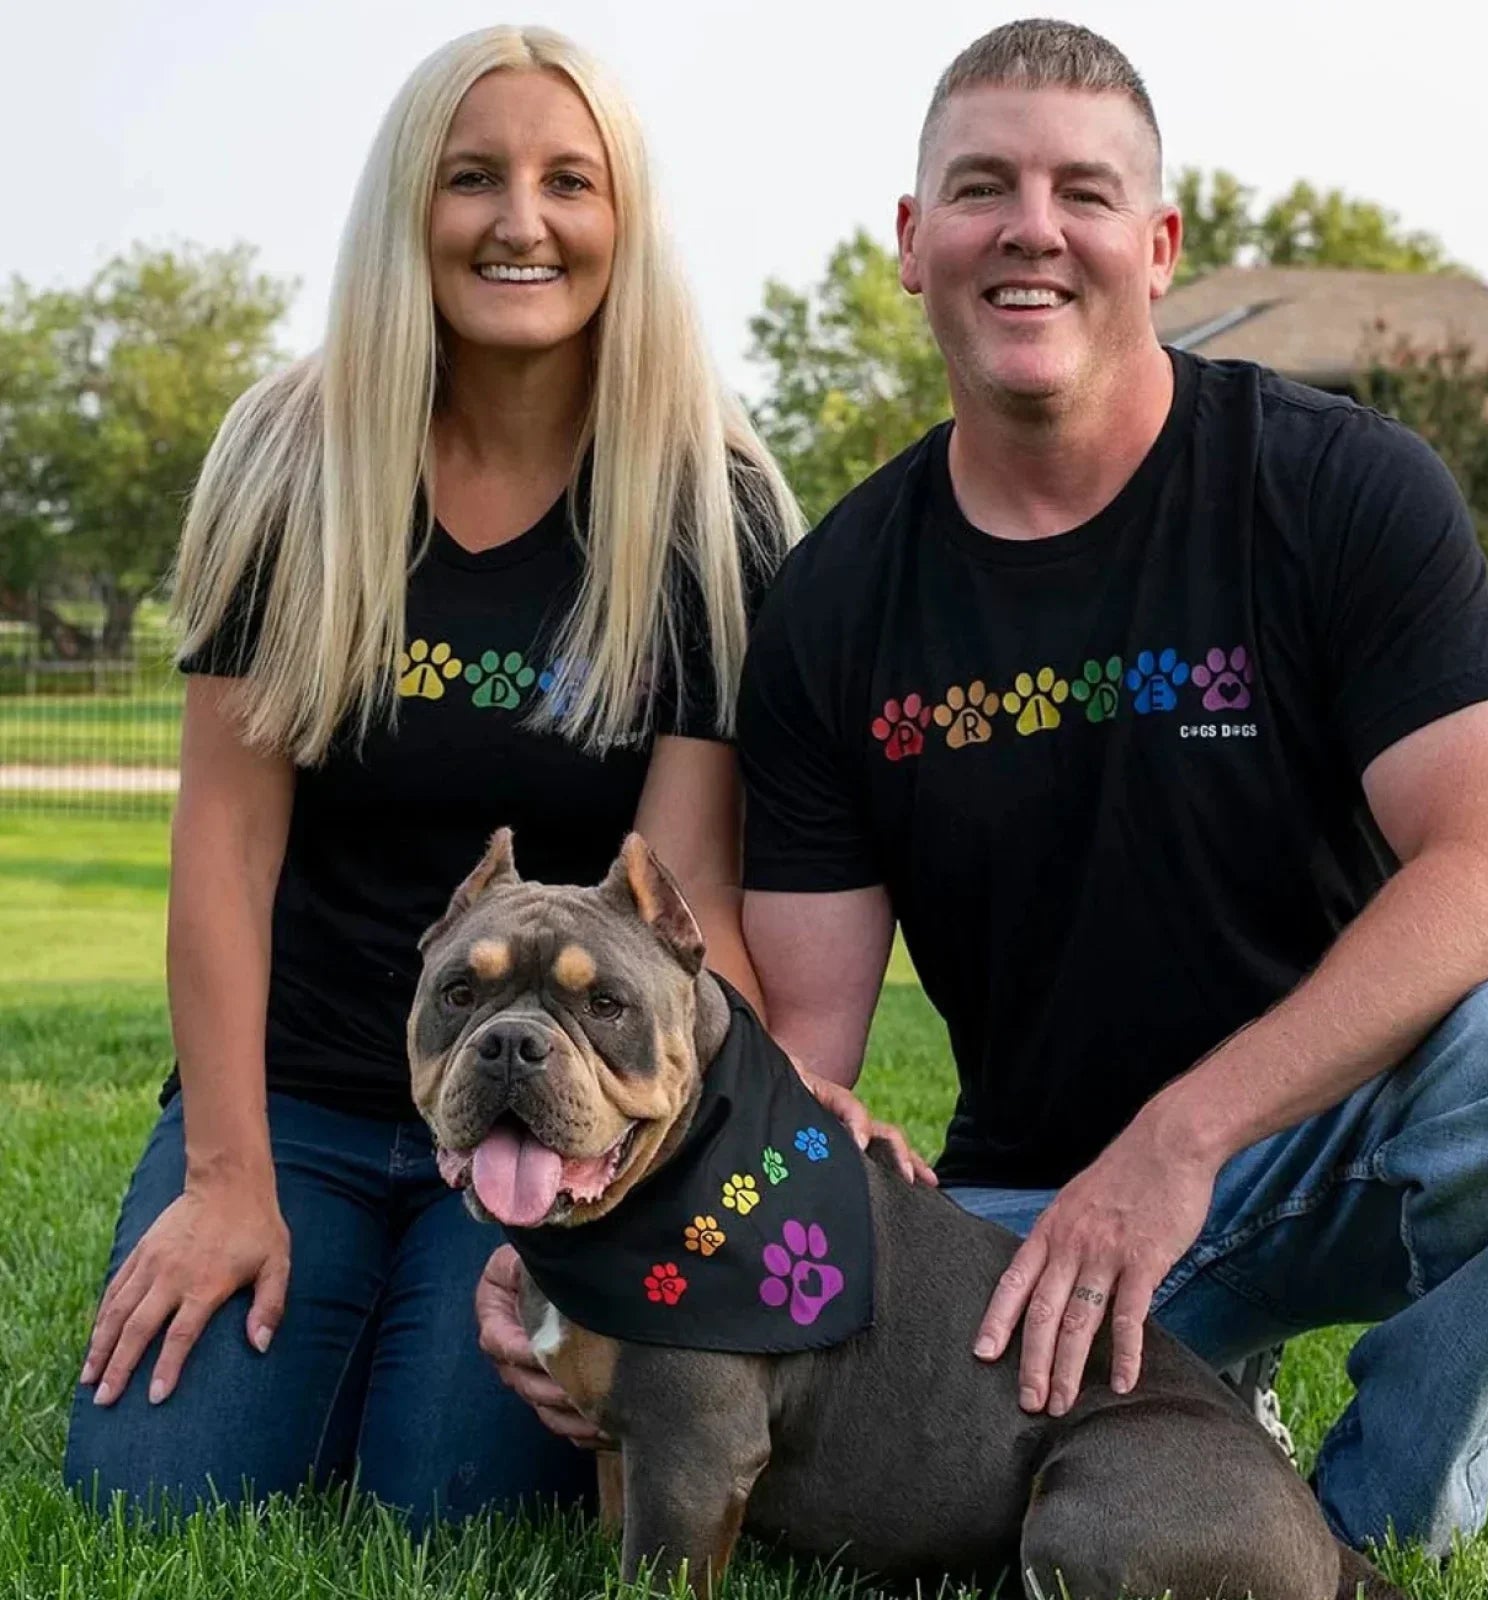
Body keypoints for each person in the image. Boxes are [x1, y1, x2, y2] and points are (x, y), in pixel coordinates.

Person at [728, 18, 1488, 1562]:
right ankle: (1197, 1411)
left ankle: (1372, 1521)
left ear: (1159, 241)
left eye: (1084, 190)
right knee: (729, 1374)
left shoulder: (1332, 487)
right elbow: (807, 1044)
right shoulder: (834, 599)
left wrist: (1180, 1144)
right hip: (1020, 1223)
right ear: (915, 240)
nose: (1034, 230)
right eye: (983, 187)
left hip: (1318, 1144)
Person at [60, 22, 902, 1529]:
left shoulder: (712, 508)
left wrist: (687, 1170)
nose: (522, 221)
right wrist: (225, 1180)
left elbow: (688, 894)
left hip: (571, 1123)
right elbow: (225, 858)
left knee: (453, 1502)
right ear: (411, 210)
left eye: (569, 181)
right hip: (303, 1097)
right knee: (157, 1499)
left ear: (622, 219)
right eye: (473, 179)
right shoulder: (290, 464)